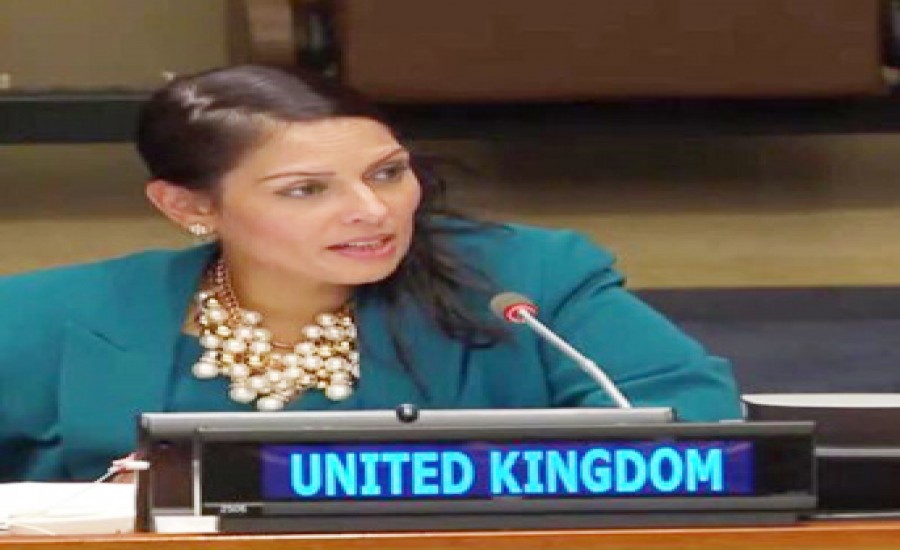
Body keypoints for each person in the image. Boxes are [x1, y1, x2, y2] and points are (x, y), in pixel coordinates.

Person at [0, 65, 741, 482]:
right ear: (188, 205)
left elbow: (696, 431)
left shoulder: (528, 281)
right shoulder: (44, 316)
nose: (372, 210)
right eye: (305, 189)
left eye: (387, 173)